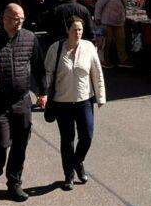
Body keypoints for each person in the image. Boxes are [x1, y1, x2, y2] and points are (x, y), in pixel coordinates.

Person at [0, 4, 47, 202]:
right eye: (15, 18)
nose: (20, 22)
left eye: (22, 18)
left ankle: (14, 184)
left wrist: (43, 92)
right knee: (1, 143)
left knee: (21, 143)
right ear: (4, 18)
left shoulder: (30, 38)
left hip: (22, 101)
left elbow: (39, 67)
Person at [43, 17, 105, 190]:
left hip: (84, 100)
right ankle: (68, 175)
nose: (77, 33)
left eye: (80, 30)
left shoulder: (89, 47)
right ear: (67, 31)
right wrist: (43, 94)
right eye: (74, 30)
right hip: (62, 103)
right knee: (67, 140)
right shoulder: (55, 49)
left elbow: (97, 73)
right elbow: (47, 74)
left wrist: (100, 97)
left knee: (87, 136)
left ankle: (77, 162)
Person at [95, 0, 131, 68]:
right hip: (107, 21)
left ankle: (122, 59)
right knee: (106, 42)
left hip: (119, 21)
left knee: (121, 40)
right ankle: (104, 60)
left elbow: (124, 4)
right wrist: (97, 17)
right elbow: (99, 4)